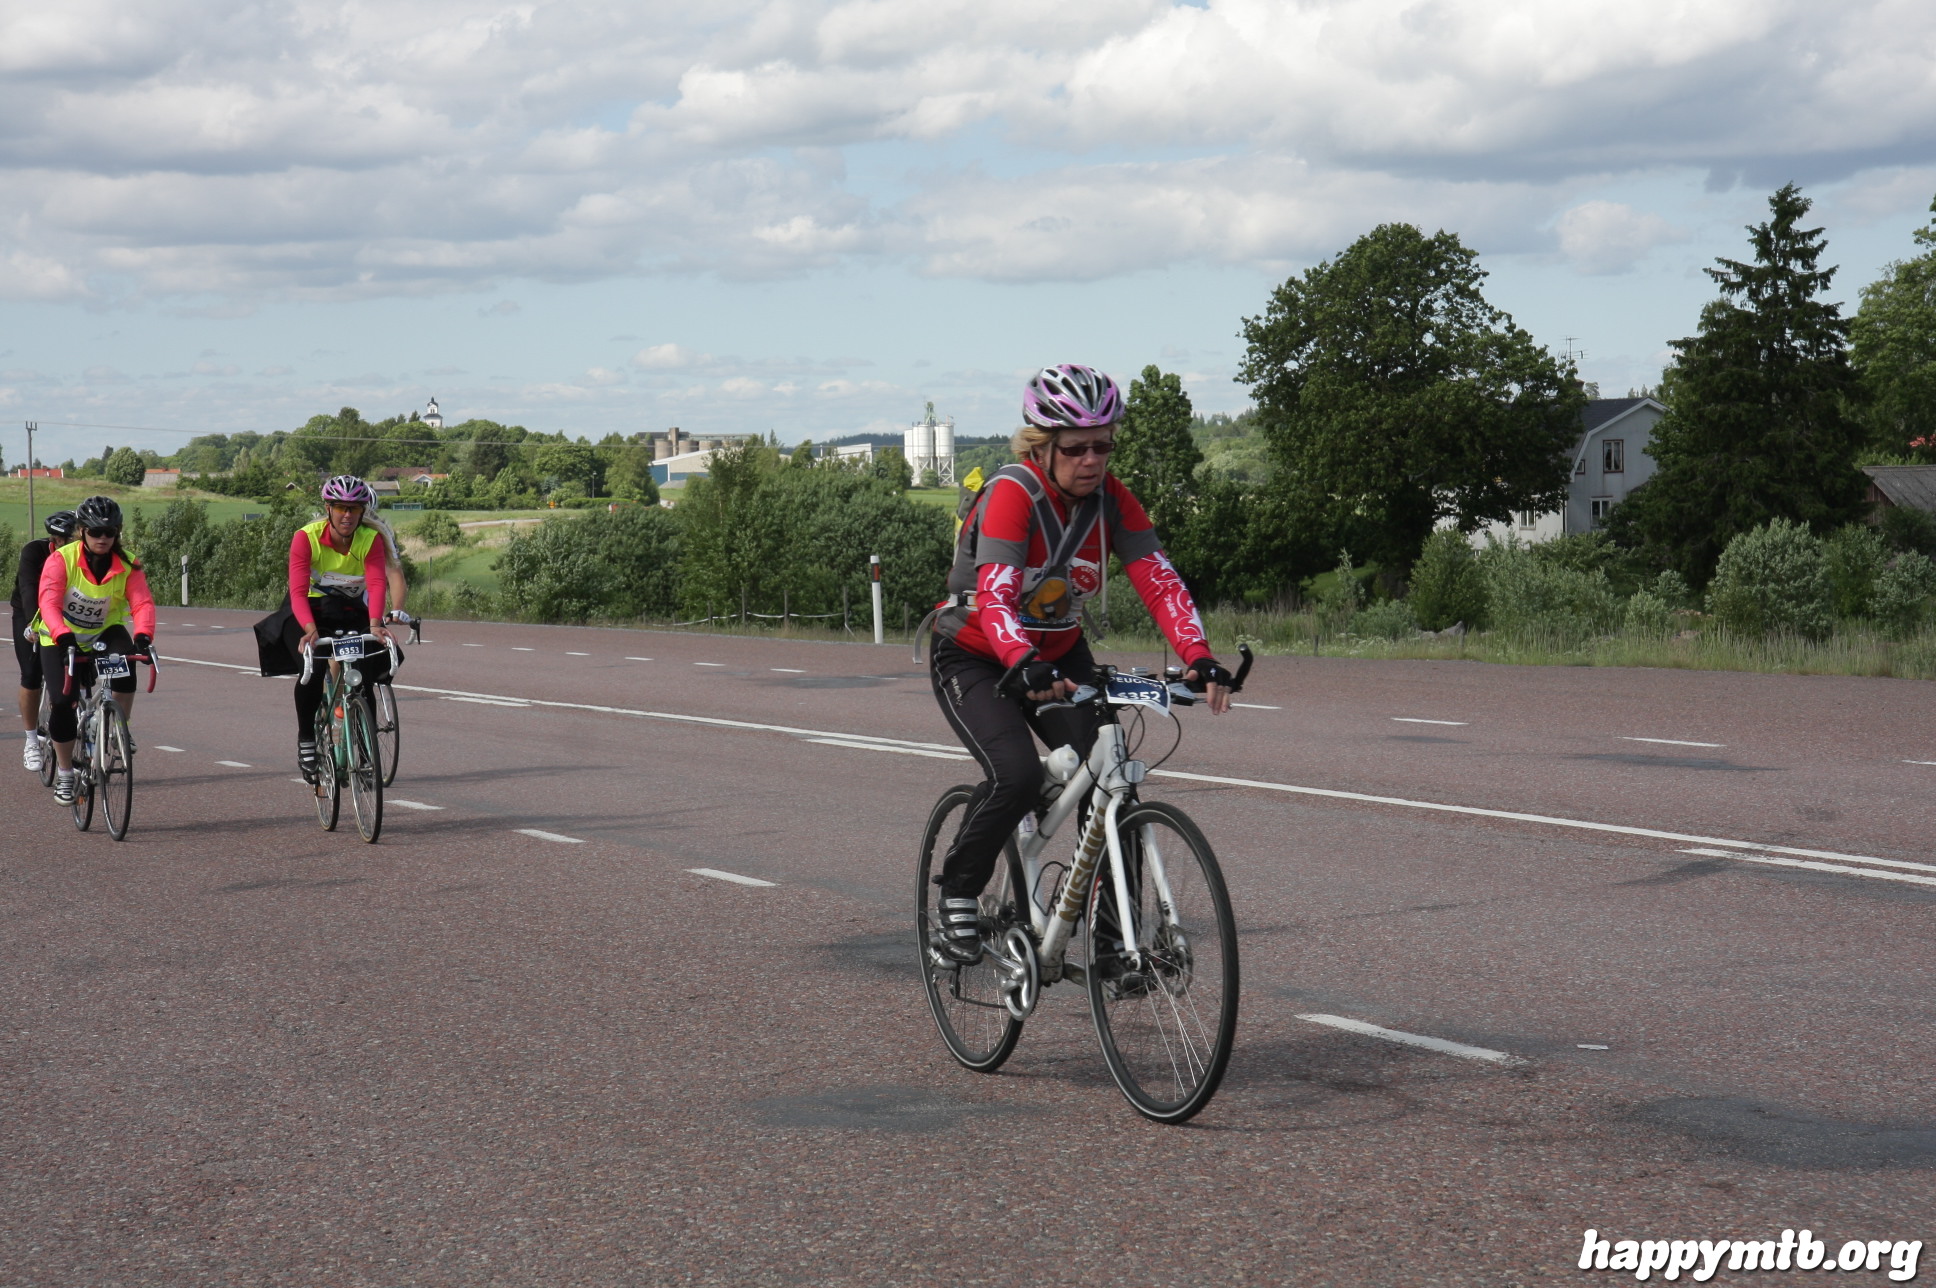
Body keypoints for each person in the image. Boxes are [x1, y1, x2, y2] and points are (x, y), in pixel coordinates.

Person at [926, 364, 1233, 965]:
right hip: (977, 655)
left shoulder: (1112, 500)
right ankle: (959, 892)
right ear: (1041, 447)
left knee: (1111, 779)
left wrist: (1198, 655)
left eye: (1103, 445)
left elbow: (1159, 580)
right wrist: (1023, 661)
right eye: (1075, 448)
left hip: (1060, 655)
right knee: (1014, 774)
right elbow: (996, 595)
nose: (1091, 460)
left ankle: (1116, 943)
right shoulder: (1013, 494)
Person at [259, 475, 396, 780]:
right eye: (340, 508)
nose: (347, 515)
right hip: (309, 611)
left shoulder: (370, 539)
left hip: (349, 610)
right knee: (314, 668)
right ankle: (307, 739)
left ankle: (365, 750)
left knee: (364, 674)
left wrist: (375, 625)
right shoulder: (306, 537)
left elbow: (376, 583)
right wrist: (310, 630)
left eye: (354, 509)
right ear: (328, 508)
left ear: (362, 511)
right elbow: (297, 591)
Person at [31, 497, 155, 805]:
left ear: (117, 533)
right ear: (82, 532)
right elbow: (48, 603)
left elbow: (141, 602)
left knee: (126, 664)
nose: (103, 538)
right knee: (63, 702)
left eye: (110, 532)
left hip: (103, 630)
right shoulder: (62, 559)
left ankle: (119, 728)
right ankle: (65, 773)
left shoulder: (128, 563)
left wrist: (143, 635)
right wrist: (63, 637)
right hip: (60, 635)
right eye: (96, 532)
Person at [13, 510, 78, 771]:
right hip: (31, 610)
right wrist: (32, 624)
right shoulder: (34, 551)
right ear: (57, 540)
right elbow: (28, 588)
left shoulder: (85, 556)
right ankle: (31, 740)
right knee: (31, 673)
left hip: (66, 611)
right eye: (71, 539)